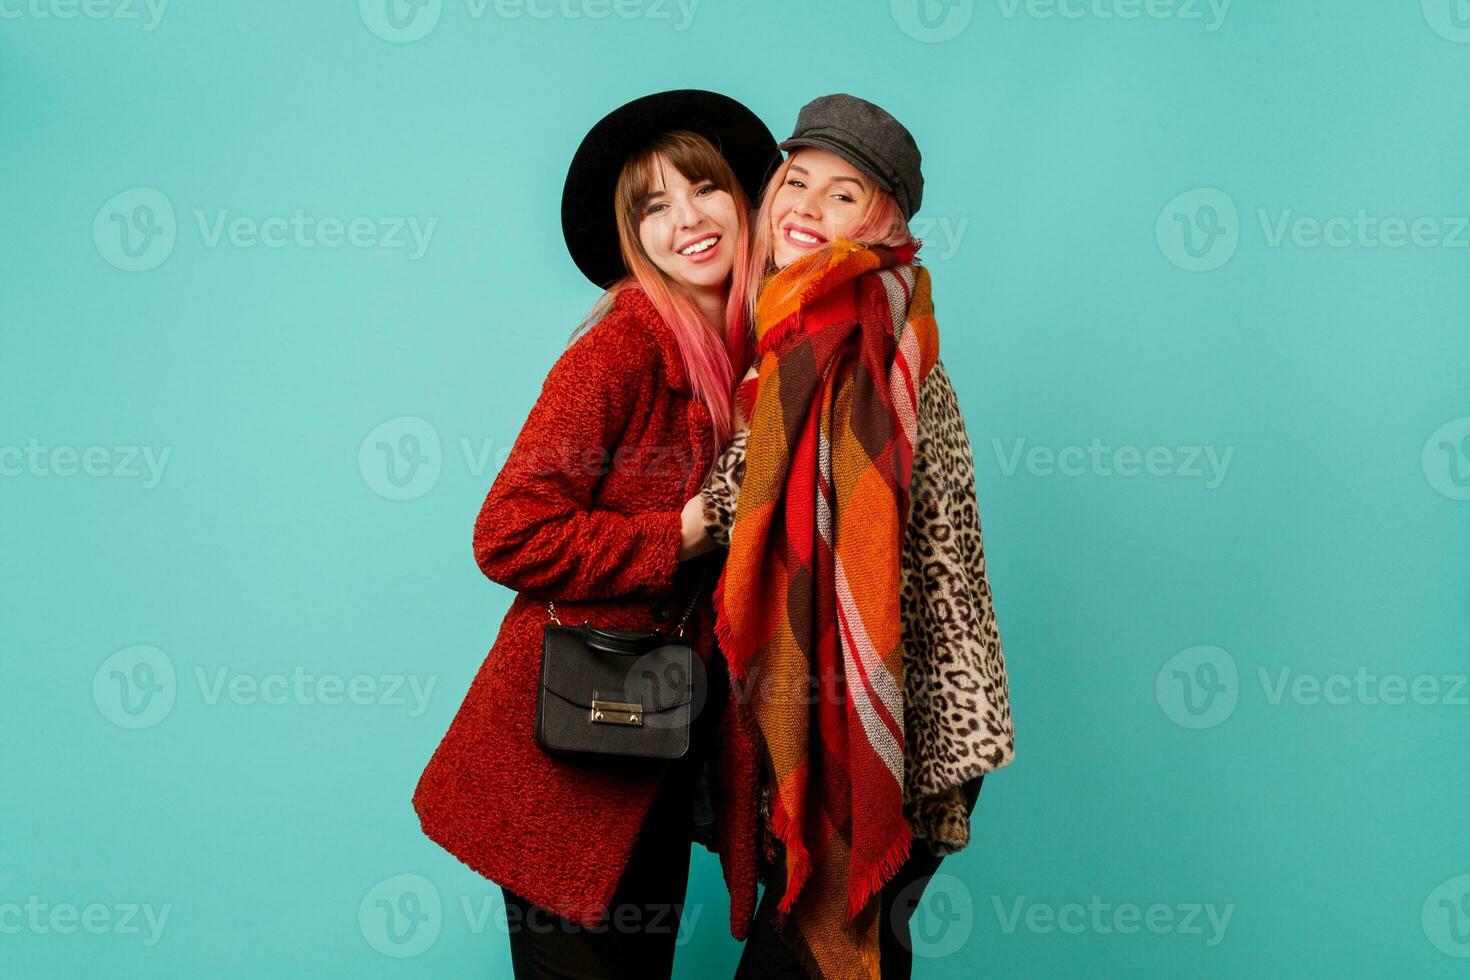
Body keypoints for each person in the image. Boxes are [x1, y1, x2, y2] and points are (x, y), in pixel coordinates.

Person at [411, 89, 779, 980]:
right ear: (631, 236)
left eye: (703, 189)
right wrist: (679, 534)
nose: (686, 220)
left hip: (653, 747)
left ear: (743, 200)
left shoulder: (755, 353)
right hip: (563, 761)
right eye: (654, 206)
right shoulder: (622, 346)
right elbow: (508, 534)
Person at [697, 94, 1017, 980]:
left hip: (897, 725)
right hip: (835, 710)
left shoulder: (857, 341)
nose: (804, 206)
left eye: (843, 194)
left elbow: (738, 503)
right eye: (794, 181)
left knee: (823, 953)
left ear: (885, 221)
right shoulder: (797, 327)